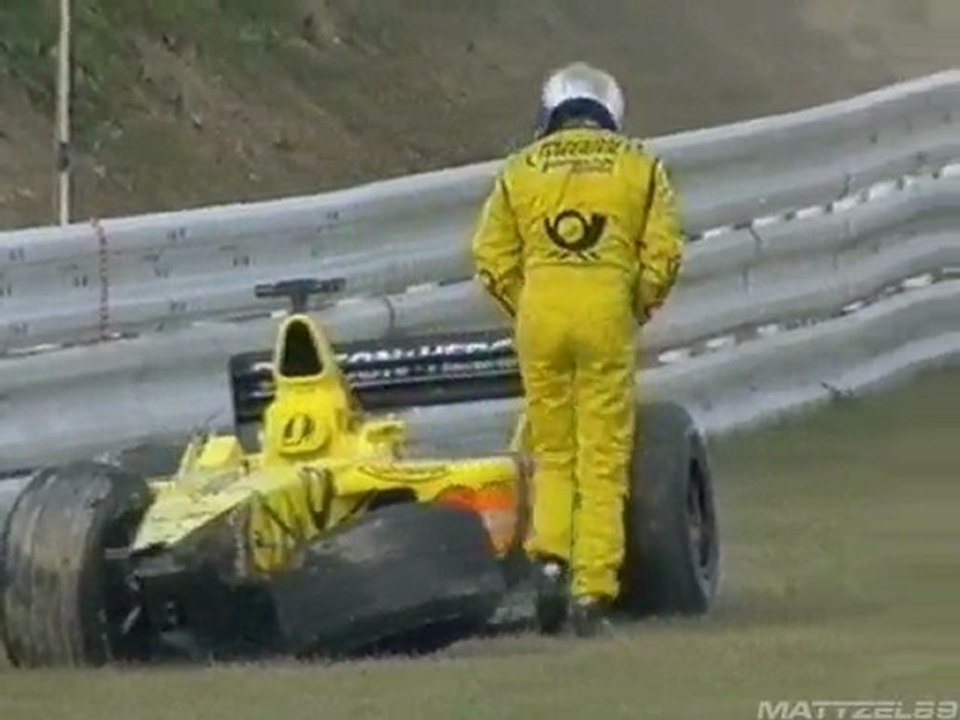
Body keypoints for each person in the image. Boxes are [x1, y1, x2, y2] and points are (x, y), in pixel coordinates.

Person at [470, 62, 685, 637]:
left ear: (553, 110)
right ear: (609, 110)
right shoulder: (640, 165)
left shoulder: (519, 168)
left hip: (540, 312)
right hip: (606, 310)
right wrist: (635, 306)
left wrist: (527, 305)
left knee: (553, 451)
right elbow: (664, 255)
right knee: (602, 455)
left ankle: (549, 561)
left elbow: (489, 256)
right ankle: (592, 588)